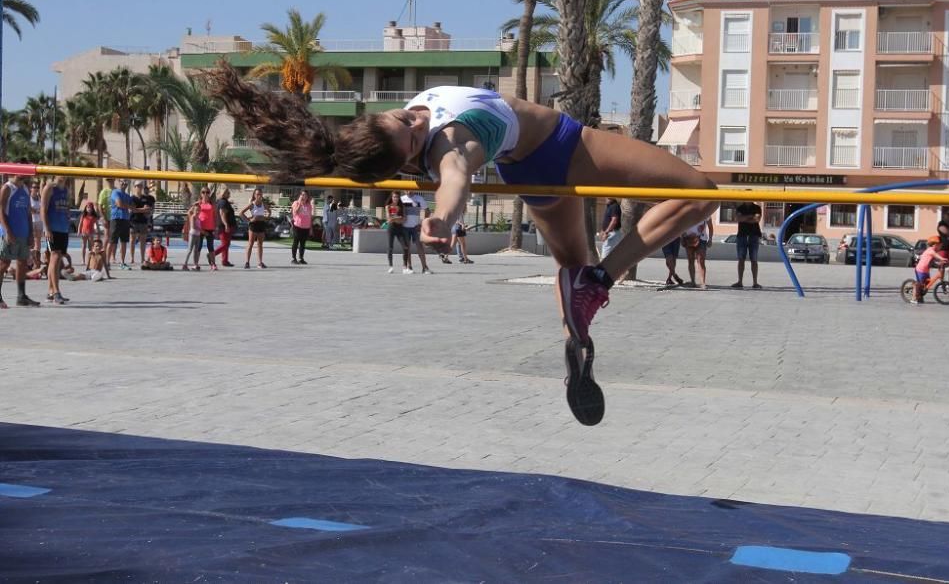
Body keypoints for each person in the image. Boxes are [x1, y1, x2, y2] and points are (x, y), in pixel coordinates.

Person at [208, 68, 718, 426]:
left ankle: (578, 342)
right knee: (698, 192)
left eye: (402, 116)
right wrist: (443, 218)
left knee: (570, 265)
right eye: (411, 132)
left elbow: (393, 153)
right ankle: (604, 281)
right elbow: (455, 181)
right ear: (412, 160)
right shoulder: (451, 144)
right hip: (566, 146)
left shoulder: (399, 129)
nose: (415, 119)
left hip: (528, 172)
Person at [0, 174, 40, 307]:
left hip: (23, 233)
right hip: (10, 233)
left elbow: (28, 213)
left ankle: (21, 296)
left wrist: (31, 234)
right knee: (4, 264)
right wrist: (8, 231)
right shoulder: (7, 188)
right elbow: (1, 211)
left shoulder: (25, 188)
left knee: (22, 263)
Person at [41, 175, 71, 304]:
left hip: (63, 228)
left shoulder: (66, 190)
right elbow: (43, 209)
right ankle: (56, 292)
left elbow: (66, 208)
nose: (63, 176)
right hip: (53, 228)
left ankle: (50, 291)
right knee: (54, 257)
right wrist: (47, 228)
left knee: (58, 259)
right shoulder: (49, 188)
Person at [107, 180, 139, 271]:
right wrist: (129, 206)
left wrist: (144, 209)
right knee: (112, 241)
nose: (124, 183)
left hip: (125, 219)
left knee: (124, 242)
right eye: (122, 181)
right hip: (116, 219)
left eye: (126, 182)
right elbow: (119, 204)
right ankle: (107, 262)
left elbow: (134, 207)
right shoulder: (115, 192)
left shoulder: (127, 196)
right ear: (119, 182)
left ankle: (122, 262)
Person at [732, 199, 763, 289]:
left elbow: (756, 219)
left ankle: (755, 282)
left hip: (754, 235)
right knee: (741, 259)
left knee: (754, 259)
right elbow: (738, 219)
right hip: (742, 235)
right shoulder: (740, 208)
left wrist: (744, 218)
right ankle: (740, 281)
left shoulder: (757, 208)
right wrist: (750, 217)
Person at [912, 236, 949, 304]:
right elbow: (937, 256)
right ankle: (914, 298)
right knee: (919, 284)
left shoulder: (933, 252)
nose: (941, 247)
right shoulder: (931, 251)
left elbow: (932, 261)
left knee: (926, 285)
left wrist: (939, 263)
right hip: (920, 270)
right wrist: (943, 259)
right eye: (940, 245)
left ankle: (920, 297)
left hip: (926, 271)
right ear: (935, 245)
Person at [401, 191, 432, 274]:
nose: (408, 191)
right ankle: (409, 267)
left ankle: (424, 267)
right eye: (406, 189)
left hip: (416, 227)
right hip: (404, 227)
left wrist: (421, 223)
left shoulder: (419, 198)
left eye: (410, 189)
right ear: (404, 190)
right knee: (407, 248)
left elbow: (428, 211)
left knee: (420, 247)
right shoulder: (402, 199)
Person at [240, 188, 270, 269]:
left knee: (260, 244)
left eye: (260, 194)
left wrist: (266, 217)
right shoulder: (252, 204)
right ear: (254, 195)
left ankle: (260, 263)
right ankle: (247, 262)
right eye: (257, 194)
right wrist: (249, 220)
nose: (259, 196)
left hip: (261, 225)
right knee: (250, 244)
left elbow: (269, 212)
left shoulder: (264, 204)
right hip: (253, 225)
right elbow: (241, 213)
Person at [682, 218, 713, 289]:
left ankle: (702, 283)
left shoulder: (706, 212)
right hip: (688, 238)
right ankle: (693, 282)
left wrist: (710, 239)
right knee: (690, 260)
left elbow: (710, 227)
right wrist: (682, 237)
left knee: (701, 261)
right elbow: (681, 225)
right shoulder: (688, 211)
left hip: (702, 239)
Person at [129, 182, 155, 265]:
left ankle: (142, 258)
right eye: (138, 186)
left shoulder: (146, 198)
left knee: (143, 241)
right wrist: (142, 210)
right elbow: (133, 209)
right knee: (132, 240)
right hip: (133, 221)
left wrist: (144, 211)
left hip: (143, 221)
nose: (139, 187)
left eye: (141, 186)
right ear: (135, 187)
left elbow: (148, 209)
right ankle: (132, 258)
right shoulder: (132, 198)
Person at [384, 190, 409, 273]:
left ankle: (405, 267)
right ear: (392, 197)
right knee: (390, 247)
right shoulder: (388, 206)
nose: (396, 198)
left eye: (397, 197)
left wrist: (394, 218)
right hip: (391, 228)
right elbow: (388, 219)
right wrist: (398, 218)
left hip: (400, 229)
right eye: (394, 197)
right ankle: (390, 266)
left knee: (405, 247)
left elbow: (404, 219)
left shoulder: (402, 207)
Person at [195, 187, 219, 270]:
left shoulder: (212, 204)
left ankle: (213, 264)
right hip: (200, 228)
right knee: (198, 246)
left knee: (210, 247)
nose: (205, 194)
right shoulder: (198, 204)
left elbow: (216, 216)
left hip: (210, 228)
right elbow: (191, 213)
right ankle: (196, 264)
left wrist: (216, 228)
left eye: (207, 192)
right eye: (203, 192)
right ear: (201, 194)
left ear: (209, 193)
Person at [215, 188, 237, 267]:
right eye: (228, 192)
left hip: (223, 226)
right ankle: (212, 254)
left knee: (226, 244)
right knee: (225, 244)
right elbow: (222, 214)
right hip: (223, 226)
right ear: (224, 194)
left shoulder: (222, 201)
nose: (229, 194)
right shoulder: (223, 202)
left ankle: (225, 261)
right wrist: (226, 224)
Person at [290, 190, 313, 265]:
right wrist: (300, 204)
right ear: (300, 196)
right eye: (302, 195)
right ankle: (293, 258)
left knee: (303, 243)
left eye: (305, 195)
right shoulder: (296, 203)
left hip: (306, 226)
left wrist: (310, 227)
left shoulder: (308, 205)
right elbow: (295, 213)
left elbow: (310, 217)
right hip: (297, 225)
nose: (304, 196)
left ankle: (301, 258)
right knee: (296, 242)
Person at [181, 201, 203, 271]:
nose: (197, 211)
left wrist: (201, 231)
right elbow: (193, 226)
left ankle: (195, 264)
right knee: (190, 250)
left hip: (198, 235)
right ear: (193, 210)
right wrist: (202, 230)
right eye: (196, 210)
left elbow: (199, 226)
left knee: (196, 250)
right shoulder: (192, 217)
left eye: (199, 210)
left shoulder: (198, 218)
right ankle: (185, 264)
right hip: (193, 234)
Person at [78, 201, 100, 266]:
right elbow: (80, 223)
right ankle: (83, 260)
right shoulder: (83, 215)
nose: (89, 209)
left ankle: (91, 259)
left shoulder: (94, 216)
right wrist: (79, 231)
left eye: (90, 208)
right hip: (84, 232)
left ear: (92, 208)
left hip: (91, 233)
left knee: (91, 247)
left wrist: (98, 232)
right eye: (88, 207)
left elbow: (97, 225)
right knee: (83, 246)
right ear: (86, 208)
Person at [29, 181, 43, 269]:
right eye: (34, 187)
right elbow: (29, 208)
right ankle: (32, 259)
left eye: (37, 187)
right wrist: (37, 211)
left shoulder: (39, 197)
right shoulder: (29, 198)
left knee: (38, 241)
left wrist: (39, 211)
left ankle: (37, 259)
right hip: (32, 221)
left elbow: (42, 207)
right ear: (31, 188)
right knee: (32, 241)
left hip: (39, 221)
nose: (36, 189)